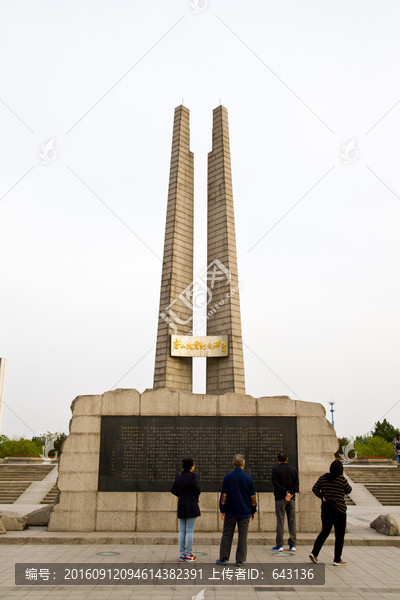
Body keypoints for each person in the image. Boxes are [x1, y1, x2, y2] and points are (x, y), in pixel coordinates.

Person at [309, 459, 352, 566]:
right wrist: (342, 476)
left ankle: (314, 553)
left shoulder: (323, 478)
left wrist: (322, 496)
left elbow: (314, 489)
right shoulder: (341, 480)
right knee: (339, 536)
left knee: (324, 532)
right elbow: (349, 490)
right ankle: (337, 559)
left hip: (326, 510)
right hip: (339, 510)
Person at [216, 454, 257, 566]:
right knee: (243, 536)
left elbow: (224, 495)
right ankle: (240, 560)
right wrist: (253, 510)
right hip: (245, 512)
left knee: (227, 534)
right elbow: (252, 497)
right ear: (243, 464)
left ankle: (223, 558)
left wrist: (222, 509)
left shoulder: (228, 477)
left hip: (230, 511)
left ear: (233, 464)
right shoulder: (248, 479)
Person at [171, 458, 201, 562]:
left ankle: (182, 553)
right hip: (191, 504)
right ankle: (188, 554)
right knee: (189, 530)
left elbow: (173, 490)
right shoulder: (192, 477)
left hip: (181, 504)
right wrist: (193, 496)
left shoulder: (179, 476)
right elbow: (198, 489)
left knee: (182, 530)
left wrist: (181, 495)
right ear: (191, 467)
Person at [271, 452, 299, 552]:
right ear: (286, 459)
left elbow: (275, 483)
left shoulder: (275, 470)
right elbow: (296, 483)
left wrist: (285, 492)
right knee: (292, 521)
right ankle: (293, 545)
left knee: (280, 521)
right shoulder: (293, 470)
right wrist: (290, 493)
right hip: (291, 498)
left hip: (280, 498)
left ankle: (280, 545)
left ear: (278, 459)